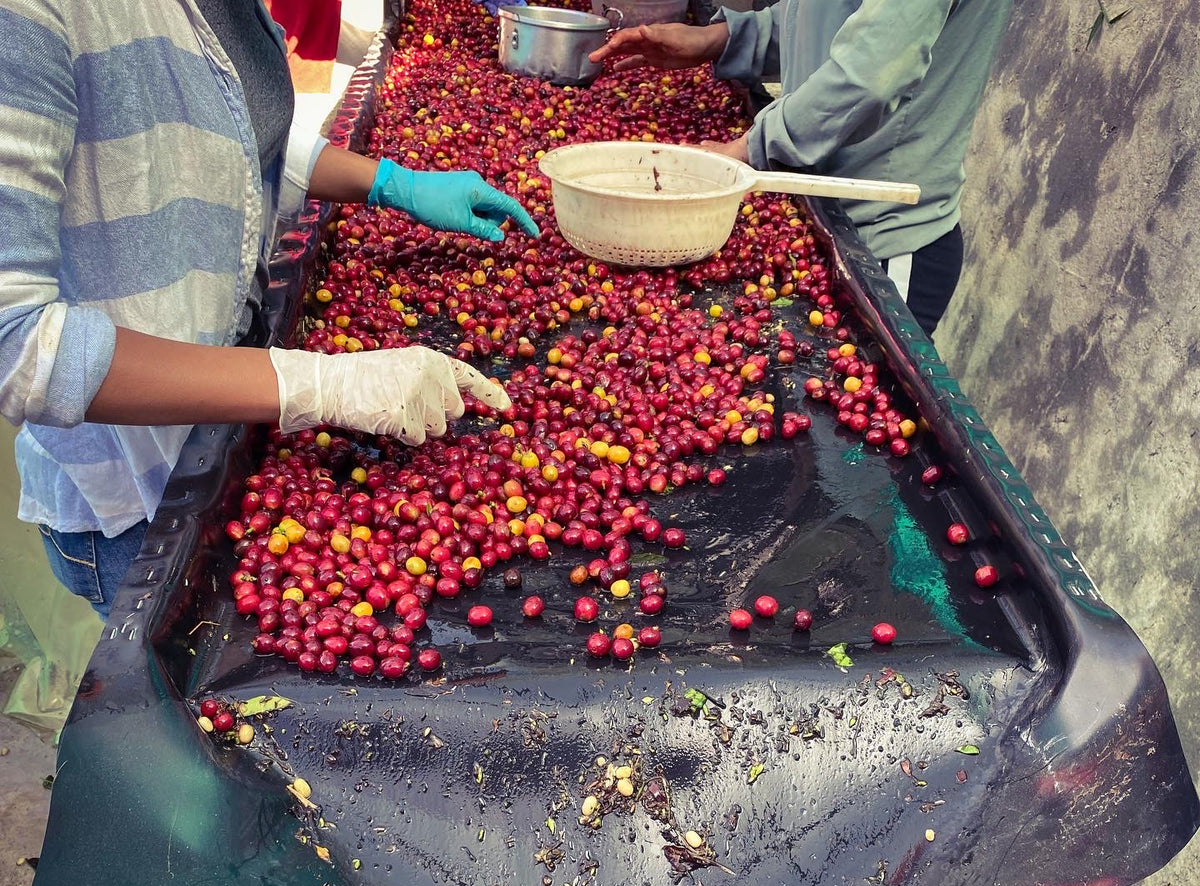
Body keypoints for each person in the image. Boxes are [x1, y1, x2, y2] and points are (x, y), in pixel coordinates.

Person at [0, 1, 538, 618]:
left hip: (230, 407)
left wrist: (391, 183)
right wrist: (318, 382)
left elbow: (231, 132)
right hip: (137, 494)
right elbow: (16, 344)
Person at [591, 0, 1012, 338]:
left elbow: (870, 76)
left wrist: (746, 149)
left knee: (860, 410)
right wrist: (721, 38)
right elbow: (826, 18)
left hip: (879, 234)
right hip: (817, 211)